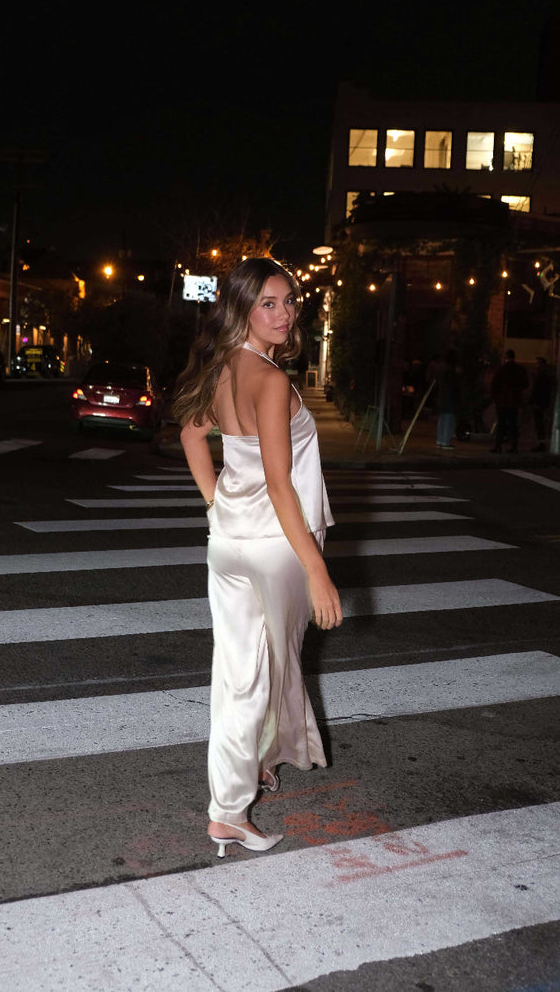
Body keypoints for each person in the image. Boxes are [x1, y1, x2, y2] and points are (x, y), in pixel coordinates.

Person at [174, 257, 342, 859]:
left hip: (227, 543)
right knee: (269, 670)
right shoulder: (272, 381)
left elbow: (193, 434)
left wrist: (216, 500)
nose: (284, 313)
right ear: (243, 309)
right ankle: (234, 804)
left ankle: (243, 786)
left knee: (241, 671)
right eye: (268, 303)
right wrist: (318, 571)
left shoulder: (219, 368)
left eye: (289, 300)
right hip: (277, 548)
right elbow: (280, 483)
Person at [491, 349, 528, 453]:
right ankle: (514, 446)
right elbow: (525, 384)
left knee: (501, 423)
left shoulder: (501, 369)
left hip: (502, 401)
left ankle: (498, 446)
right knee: (513, 424)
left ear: (505, 357)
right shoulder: (519, 370)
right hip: (514, 402)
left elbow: (494, 385)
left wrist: (496, 398)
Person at [435, 350, 460, 449]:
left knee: (442, 419)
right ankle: (445, 441)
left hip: (442, 398)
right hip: (449, 399)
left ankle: (440, 439)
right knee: (448, 420)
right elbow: (453, 386)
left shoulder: (442, 369)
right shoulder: (451, 371)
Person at [529, 357, 552, 452]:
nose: (536, 365)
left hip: (539, 404)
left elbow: (542, 392)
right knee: (539, 425)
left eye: (538, 364)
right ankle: (541, 443)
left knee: (540, 425)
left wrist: (536, 402)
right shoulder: (541, 376)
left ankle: (542, 444)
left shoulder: (543, 376)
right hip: (539, 403)